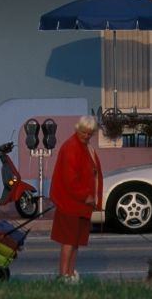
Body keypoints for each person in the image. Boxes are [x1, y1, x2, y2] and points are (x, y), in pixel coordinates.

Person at [49, 114, 103, 283]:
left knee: (76, 242)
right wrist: (85, 195)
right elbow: (70, 178)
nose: (86, 136)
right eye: (83, 132)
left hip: (81, 204)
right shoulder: (71, 147)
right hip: (70, 203)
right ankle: (63, 274)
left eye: (89, 133)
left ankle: (70, 274)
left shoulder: (85, 147)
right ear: (77, 129)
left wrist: (92, 198)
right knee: (68, 241)